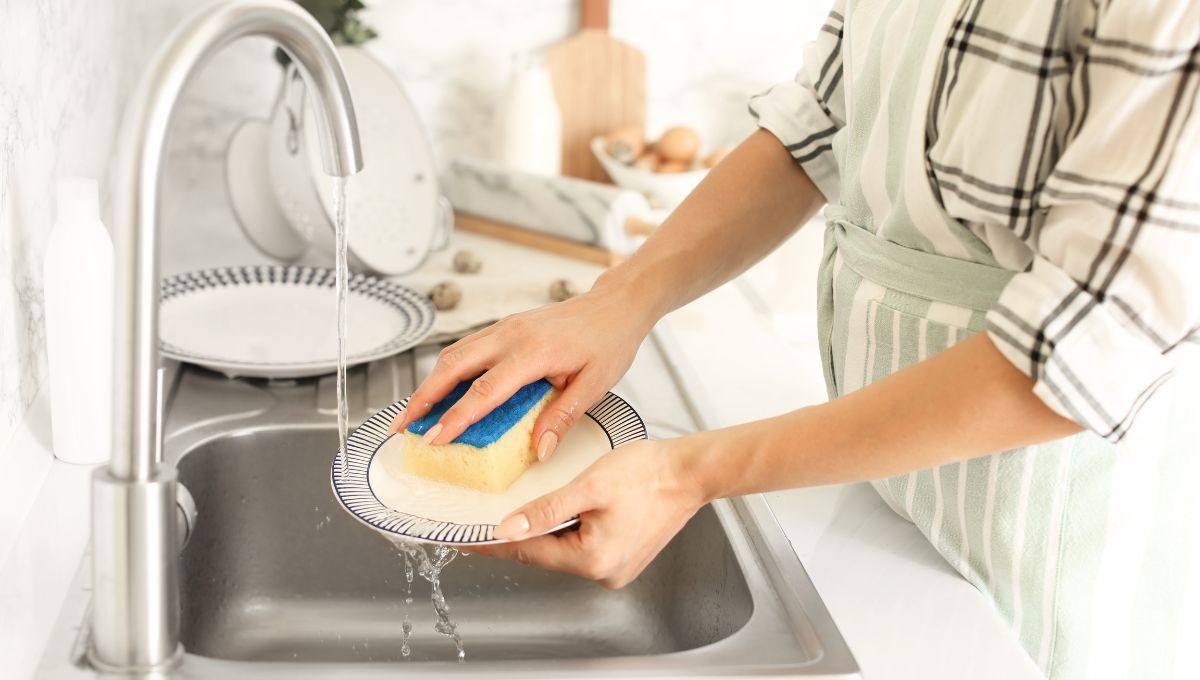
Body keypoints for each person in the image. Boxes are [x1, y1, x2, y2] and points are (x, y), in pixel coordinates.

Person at [390, 1, 1200, 677]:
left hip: (1056, 550)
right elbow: (815, 128)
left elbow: (1080, 348)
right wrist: (618, 301)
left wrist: (686, 474)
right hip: (886, 495)